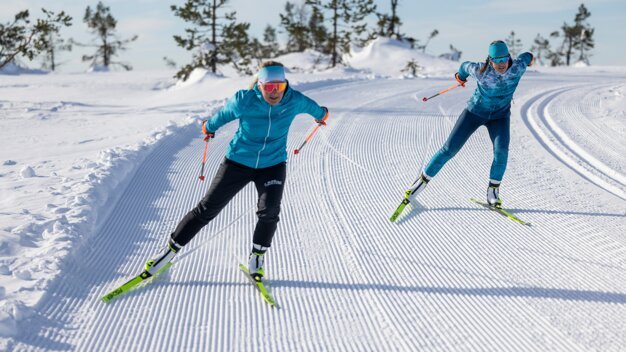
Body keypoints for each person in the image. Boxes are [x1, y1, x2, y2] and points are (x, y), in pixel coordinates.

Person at [144, 61, 328, 281]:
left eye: (279, 87)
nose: (274, 92)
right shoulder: (244, 100)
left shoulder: (294, 100)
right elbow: (221, 116)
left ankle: (257, 258)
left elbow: (316, 110)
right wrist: (207, 127)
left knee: (269, 211)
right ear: (259, 85)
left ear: (285, 84)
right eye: (269, 87)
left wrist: (322, 115)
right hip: (238, 162)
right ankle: (166, 254)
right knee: (207, 209)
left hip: (273, 164)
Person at [407, 40, 533, 207]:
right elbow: (465, 65)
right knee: (449, 149)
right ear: (490, 60)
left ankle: (493, 192)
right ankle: (420, 183)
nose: (501, 64)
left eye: (504, 59)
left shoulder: (517, 67)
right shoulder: (481, 70)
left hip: (500, 117)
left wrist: (530, 58)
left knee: (501, 151)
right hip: (474, 113)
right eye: (496, 60)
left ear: (508, 57)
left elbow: (526, 56)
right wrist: (460, 77)